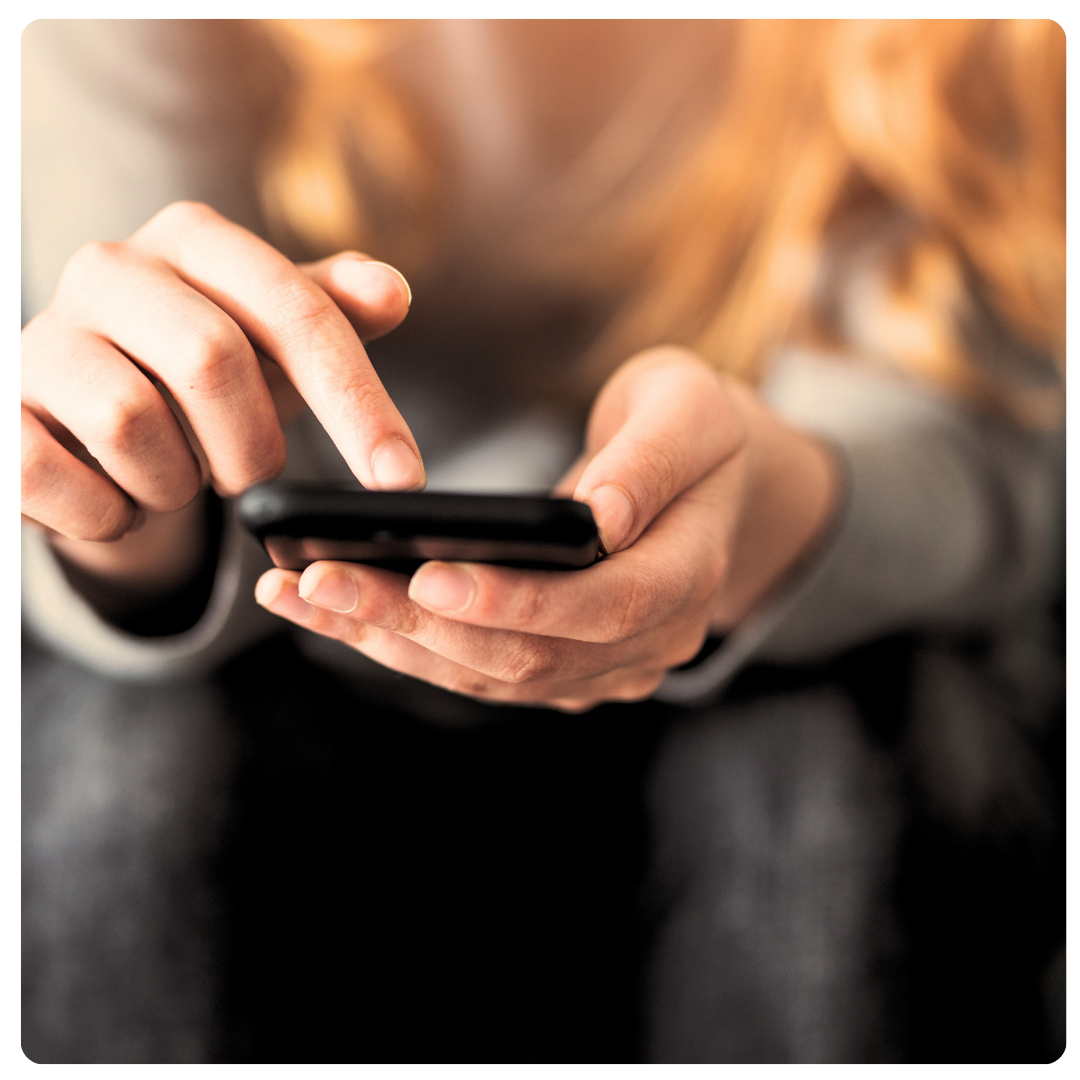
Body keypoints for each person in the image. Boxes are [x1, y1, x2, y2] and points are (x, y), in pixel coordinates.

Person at [21, 19, 1065, 1062]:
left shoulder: (948, 38)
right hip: (275, 656)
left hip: (768, 646)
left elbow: (990, 458)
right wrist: (128, 485)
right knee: (127, 768)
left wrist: (775, 502)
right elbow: (118, 461)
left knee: (835, 761)